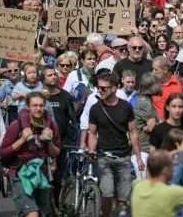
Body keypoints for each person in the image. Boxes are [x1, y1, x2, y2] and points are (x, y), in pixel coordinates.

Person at [88, 72, 144, 217]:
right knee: (107, 194)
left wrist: (138, 158)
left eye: (104, 88)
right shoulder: (95, 108)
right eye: (98, 87)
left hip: (123, 157)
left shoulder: (125, 107)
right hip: (103, 157)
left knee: (123, 197)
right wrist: (91, 151)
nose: (100, 90)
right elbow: (92, 133)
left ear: (114, 88)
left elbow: (133, 132)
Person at [0, 92, 61, 217]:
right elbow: (2, 152)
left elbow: (56, 152)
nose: (38, 109)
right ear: (28, 107)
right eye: (34, 105)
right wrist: (22, 140)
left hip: (41, 173)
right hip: (19, 173)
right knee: (32, 213)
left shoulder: (51, 126)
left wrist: (49, 142)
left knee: (41, 212)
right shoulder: (17, 125)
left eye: (41, 105)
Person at [131, 149, 183, 217]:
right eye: (172, 166)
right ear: (165, 170)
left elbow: (150, 171)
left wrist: (164, 157)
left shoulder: (137, 185)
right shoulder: (172, 192)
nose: (173, 168)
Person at [41, 65, 76, 208]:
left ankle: (56, 205)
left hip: (60, 143)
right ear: (42, 78)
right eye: (49, 75)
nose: (53, 77)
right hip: (40, 144)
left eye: (54, 75)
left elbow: (72, 119)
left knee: (58, 177)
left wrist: (72, 140)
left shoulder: (65, 95)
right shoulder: (37, 96)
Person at [133, 73, 161, 178]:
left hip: (148, 151)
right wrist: (154, 125)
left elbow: (158, 124)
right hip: (142, 152)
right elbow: (153, 128)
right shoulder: (144, 103)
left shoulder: (148, 101)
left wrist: (156, 124)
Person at [152, 56, 183, 121]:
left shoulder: (182, 83)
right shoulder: (152, 85)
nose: (153, 72)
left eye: (156, 70)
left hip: (179, 126)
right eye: (153, 69)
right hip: (160, 127)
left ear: (165, 70)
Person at [0, 60, 20, 125]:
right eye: (10, 71)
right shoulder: (5, 84)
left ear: (20, 70)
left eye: (15, 70)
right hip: (11, 116)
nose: (13, 72)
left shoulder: (26, 83)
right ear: (7, 73)